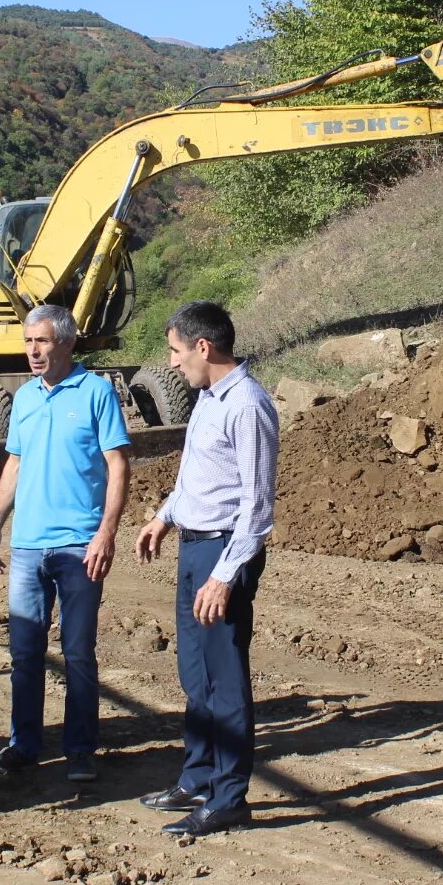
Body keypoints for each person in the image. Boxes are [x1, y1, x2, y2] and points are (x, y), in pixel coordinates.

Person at [133, 301, 278, 837]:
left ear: (202, 347)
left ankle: (228, 797)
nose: (172, 364)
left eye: (175, 351)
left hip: (223, 554)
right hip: (193, 546)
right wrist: (163, 516)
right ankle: (196, 777)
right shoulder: (207, 400)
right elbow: (201, 477)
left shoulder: (247, 404)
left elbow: (258, 506)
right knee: (195, 673)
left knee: (224, 679)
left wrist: (224, 574)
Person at [0, 304, 131, 783]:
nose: (33, 351)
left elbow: (119, 465)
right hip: (28, 546)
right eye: (28, 341)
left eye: (41, 341)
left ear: (66, 342)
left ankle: (80, 749)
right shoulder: (24, 398)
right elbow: (14, 466)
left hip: (79, 545)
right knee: (24, 652)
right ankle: (24, 745)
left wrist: (106, 533)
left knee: (78, 652)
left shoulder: (96, 392)